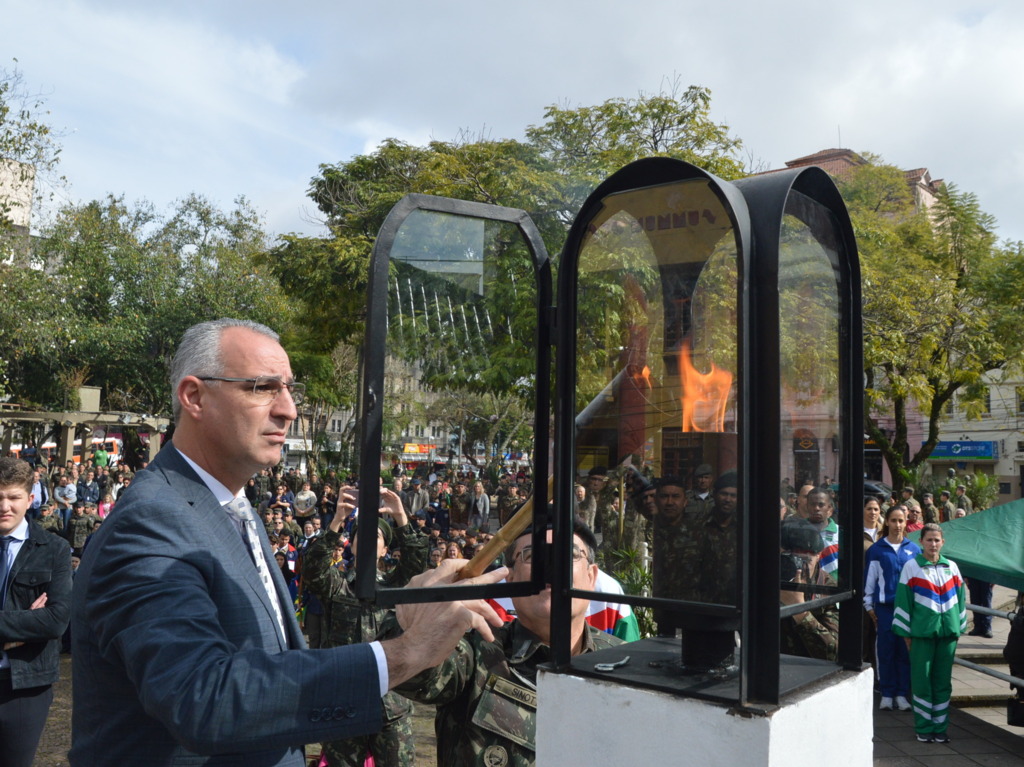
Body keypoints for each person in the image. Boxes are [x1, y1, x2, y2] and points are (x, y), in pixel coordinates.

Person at [69, 318, 506, 766]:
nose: (289, 410)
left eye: (289, 388)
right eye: (263, 387)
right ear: (195, 397)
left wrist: (407, 614)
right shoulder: (151, 521)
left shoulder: (231, 507)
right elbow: (202, 699)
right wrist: (406, 653)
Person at [396, 520, 622, 766]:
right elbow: (411, 674)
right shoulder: (475, 651)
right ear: (511, 578)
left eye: (568, 555)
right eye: (532, 556)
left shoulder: (621, 660)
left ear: (591, 576)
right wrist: (415, 625)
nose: (551, 566)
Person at [302, 487, 427, 767]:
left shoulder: (396, 586)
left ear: (385, 550)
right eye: (362, 535)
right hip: (343, 702)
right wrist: (337, 521)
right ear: (352, 544)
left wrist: (401, 517)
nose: (370, 539)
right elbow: (312, 569)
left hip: (391, 704)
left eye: (378, 536)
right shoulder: (338, 585)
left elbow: (417, 561)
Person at [0, 457, 73, 767]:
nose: (4, 506)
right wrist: (24, 626)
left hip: (25, 685)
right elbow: (40, 622)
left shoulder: (54, 549)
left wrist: (35, 624)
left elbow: (55, 621)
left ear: (30, 499)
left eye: (13, 497)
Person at [892, 523, 967, 743]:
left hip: (948, 636)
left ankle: (940, 728)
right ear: (921, 542)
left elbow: (961, 599)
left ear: (943, 542)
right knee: (922, 682)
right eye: (929, 540)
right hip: (921, 636)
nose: (933, 544)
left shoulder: (952, 567)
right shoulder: (911, 567)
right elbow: (903, 601)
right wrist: (906, 635)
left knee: (943, 683)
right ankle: (924, 728)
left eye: (937, 540)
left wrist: (958, 628)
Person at [864, 503, 920, 712]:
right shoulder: (877, 550)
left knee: (904, 651)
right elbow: (870, 579)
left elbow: (918, 581)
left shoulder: (914, 550)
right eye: (894, 520)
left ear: (906, 523)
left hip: (907, 610)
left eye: (901, 521)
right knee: (885, 651)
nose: (897, 525)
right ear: (886, 522)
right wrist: (868, 606)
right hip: (885, 609)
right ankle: (887, 694)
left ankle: (901, 694)